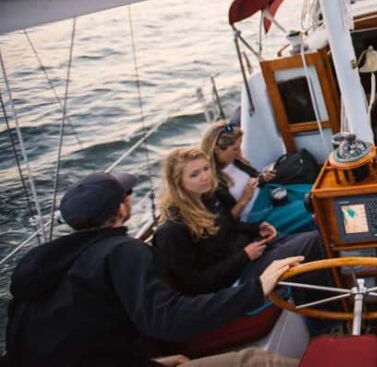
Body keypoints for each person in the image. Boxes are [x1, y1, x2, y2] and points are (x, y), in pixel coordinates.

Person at [4, 171, 303, 366]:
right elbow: (169, 320)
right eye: (126, 193)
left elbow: (77, 341)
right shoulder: (123, 252)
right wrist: (257, 288)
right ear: (121, 208)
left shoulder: (40, 264)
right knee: (259, 362)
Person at [153, 148, 324, 299]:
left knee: (317, 236)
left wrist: (257, 228)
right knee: (313, 242)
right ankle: (323, 317)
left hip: (247, 253)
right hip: (234, 282)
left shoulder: (206, 197)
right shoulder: (171, 230)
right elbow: (194, 283)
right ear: (178, 181)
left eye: (206, 169)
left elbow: (228, 225)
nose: (205, 177)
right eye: (194, 174)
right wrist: (244, 256)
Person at [201, 122, 315, 235]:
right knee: (313, 208)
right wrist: (244, 199)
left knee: (316, 192)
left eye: (240, 146)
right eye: (235, 149)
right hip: (257, 215)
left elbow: (254, 180)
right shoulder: (211, 183)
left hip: (270, 194)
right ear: (217, 150)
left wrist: (262, 178)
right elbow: (226, 223)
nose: (239, 152)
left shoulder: (236, 161)